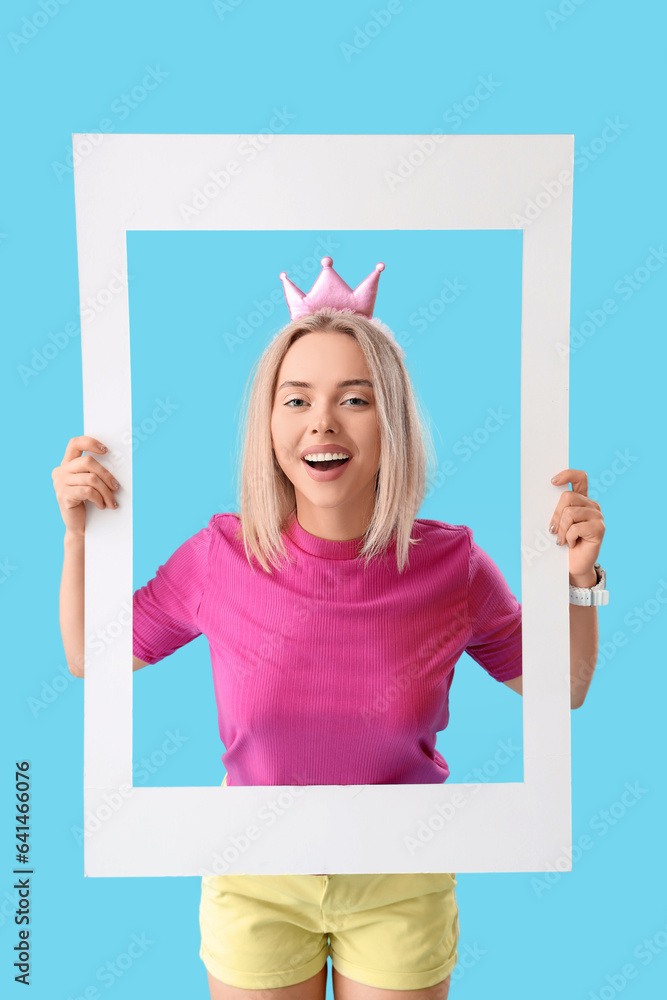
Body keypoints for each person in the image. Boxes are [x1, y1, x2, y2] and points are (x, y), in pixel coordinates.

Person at [53, 258, 607, 1000]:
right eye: (296, 399)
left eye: (354, 398)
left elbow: (560, 689)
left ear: (392, 421)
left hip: (398, 877)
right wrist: (77, 537)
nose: (321, 421)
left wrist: (578, 581)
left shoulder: (453, 564)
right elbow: (90, 656)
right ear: (269, 421)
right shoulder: (220, 556)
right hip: (257, 877)